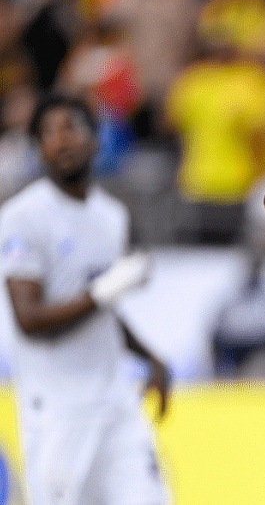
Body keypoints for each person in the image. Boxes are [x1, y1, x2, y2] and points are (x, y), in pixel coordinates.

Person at [0, 96, 170, 504]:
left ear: (95, 139)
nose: (61, 140)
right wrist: (106, 288)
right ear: (37, 148)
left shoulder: (111, 216)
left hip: (114, 402)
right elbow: (29, 319)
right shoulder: (23, 216)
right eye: (47, 133)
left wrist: (149, 357)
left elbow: (101, 313)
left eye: (71, 127)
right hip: (57, 410)